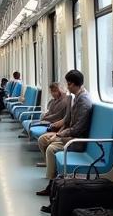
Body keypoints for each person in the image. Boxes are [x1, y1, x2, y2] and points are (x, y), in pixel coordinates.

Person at [37, 69, 93, 201]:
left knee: (51, 148)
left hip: (78, 140)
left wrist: (59, 135)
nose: (67, 87)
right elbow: (67, 120)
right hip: (70, 135)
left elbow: (78, 129)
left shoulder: (84, 101)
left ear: (74, 84)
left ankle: (52, 184)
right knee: (43, 140)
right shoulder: (75, 98)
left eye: (68, 84)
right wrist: (57, 132)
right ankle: (53, 172)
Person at [32, 82, 69, 164]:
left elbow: (57, 116)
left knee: (44, 139)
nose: (53, 93)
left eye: (55, 91)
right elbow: (50, 112)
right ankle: (47, 162)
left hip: (57, 125)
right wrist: (45, 116)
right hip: (52, 122)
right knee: (36, 125)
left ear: (60, 91)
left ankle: (48, 162)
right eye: (52, 91)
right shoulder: (54, 101)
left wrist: (45, 117)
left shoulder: (64, 102)